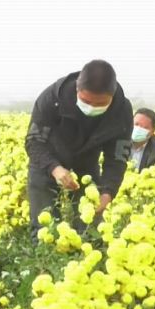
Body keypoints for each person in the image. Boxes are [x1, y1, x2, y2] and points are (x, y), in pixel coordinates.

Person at [25, 59, 133, 240]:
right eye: (86, 101)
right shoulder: (53, 98)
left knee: (90, 228)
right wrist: (55, 168)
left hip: (86, 167)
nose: (92, 107)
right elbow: (34, 141)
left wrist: (108, 192)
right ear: (77, 89)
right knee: (44, 229)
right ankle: (44, 264)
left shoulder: (121, 112)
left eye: (100, 104)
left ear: (112, 97)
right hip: (47, 163)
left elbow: (117, 158)